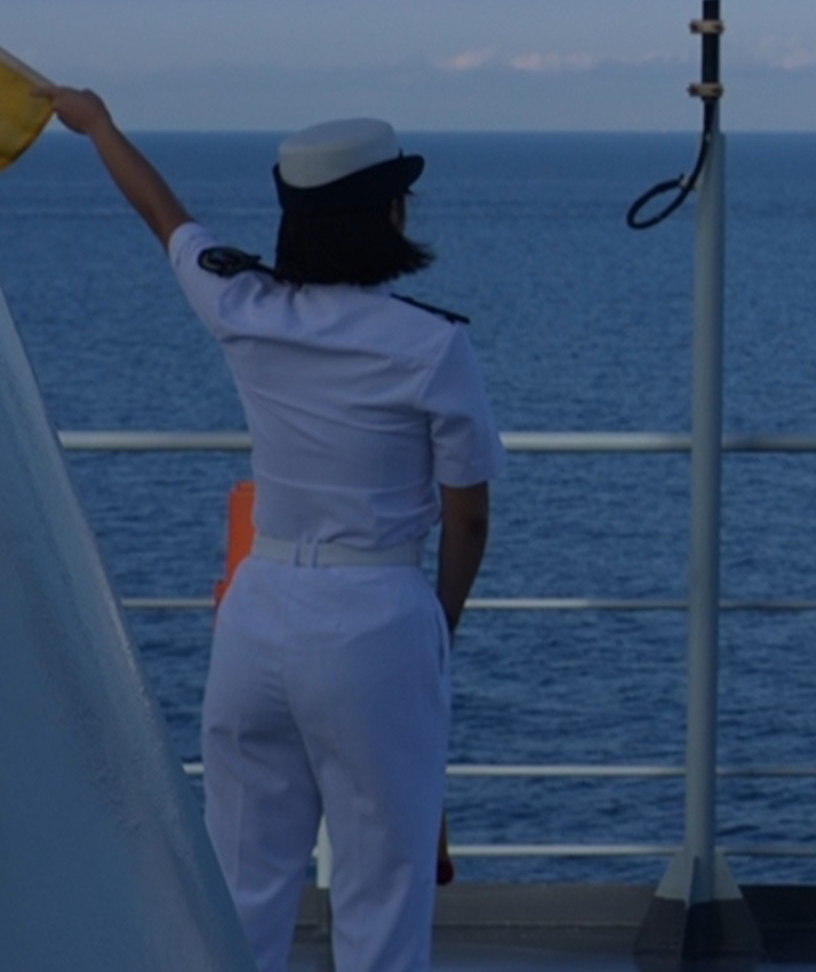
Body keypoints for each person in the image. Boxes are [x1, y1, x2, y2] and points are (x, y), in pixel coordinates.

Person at [46, 92, 499, 972]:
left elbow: (163, 217)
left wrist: (98, 125)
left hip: (258, 616)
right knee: (382, 886)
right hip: (375, 616)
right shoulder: (430, 347)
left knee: (242, 882)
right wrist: (438, 626)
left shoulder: (243, 305)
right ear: (387, 216)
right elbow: (469, 515)